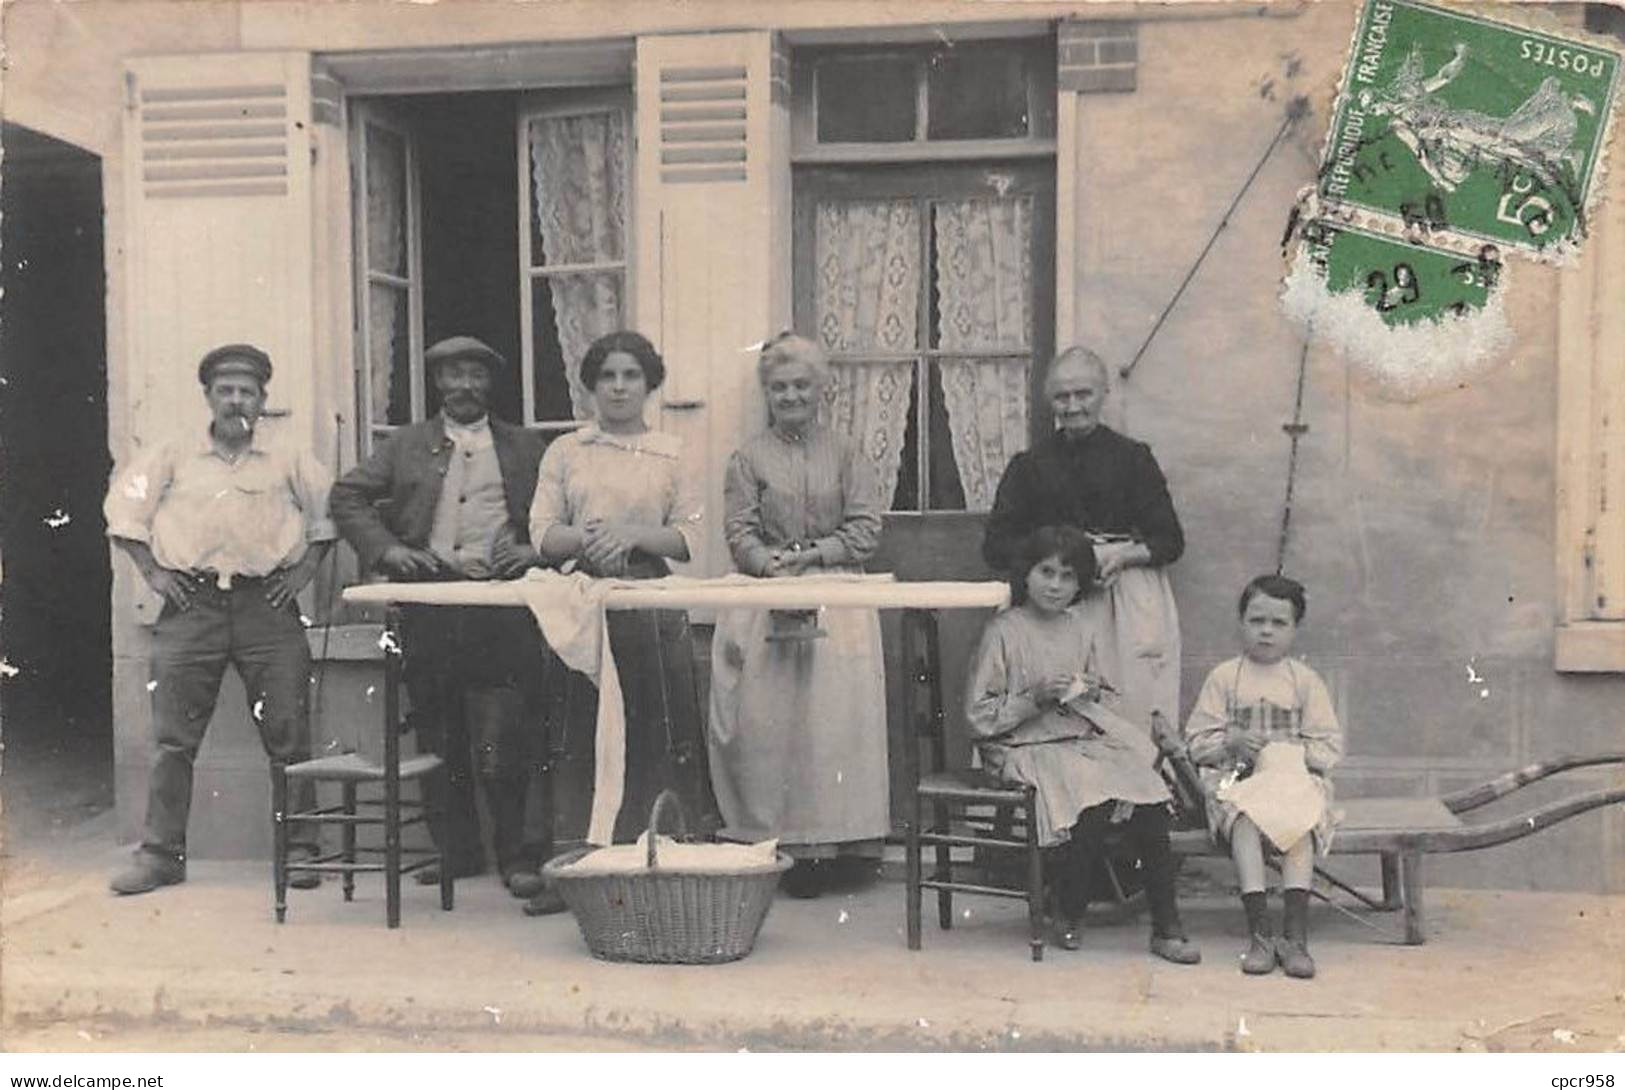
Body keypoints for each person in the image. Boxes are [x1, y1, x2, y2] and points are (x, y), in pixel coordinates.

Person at [329, 336, 559, 910]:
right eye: (453, 376)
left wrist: (533, 547)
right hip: (429, 605)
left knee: (506, 733)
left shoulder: (526, 446)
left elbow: (562, 512)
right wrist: (388, 552)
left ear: (490, 383)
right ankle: (456, 851)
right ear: (437, 384)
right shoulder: (407, 445)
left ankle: (518, 855)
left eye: (476, 375)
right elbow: (347, 495)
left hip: (503, 606)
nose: (465, 387)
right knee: (437, 729)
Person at [104, 344, 335, 895]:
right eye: (226, 390)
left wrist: (301, 574)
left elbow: (329, 518)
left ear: (262, 400)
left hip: (267, 607)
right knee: (173, 739)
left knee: (288, 732)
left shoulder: (288, 458)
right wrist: (155, 575)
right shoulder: (171, 454)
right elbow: (122, 512)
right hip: (192, 607)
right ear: (208, 396)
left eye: (248, 392)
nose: (237, 400)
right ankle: (160, 855)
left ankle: (300, 850)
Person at [527, 329, 720, 899]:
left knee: (655, 730)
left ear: (649, 384)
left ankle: (659, 868)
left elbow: (690, 537)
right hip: (580, 605)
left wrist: (631, 535)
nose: (617, 387)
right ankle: (578, 873)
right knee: (580, 732)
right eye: (607, 376)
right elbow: (541, 533)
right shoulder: (566, 451)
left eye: (630, 376)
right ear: (590, 386)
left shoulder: (674, 452)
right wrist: (588, 540)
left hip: (649, 603)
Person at [965, 525, 1200, 962]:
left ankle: (1167, 923)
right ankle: (1069, 910)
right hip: (1021, 747)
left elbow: (1101, 695)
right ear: (1027, 574)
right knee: (1093, 796)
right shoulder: (1004, 630)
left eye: (1068, 576)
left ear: (1081, 583)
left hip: (1075, 740)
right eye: (1046, 572)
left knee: (1148, 794)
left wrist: (1088, 690)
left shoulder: (1081, 628)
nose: (1055, 586)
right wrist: (1035, 696)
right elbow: (980, 716)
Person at [707, 333, 888, 899]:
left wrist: (815, 556)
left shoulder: (846, 452)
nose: (790, 396)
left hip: (838, 594)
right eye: (779, 387)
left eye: (801, 385)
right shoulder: (748, 457)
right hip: (770, 593)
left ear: (821, 389)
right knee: (774, 727)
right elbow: (739, 531)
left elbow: (864, 528)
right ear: (767, 392)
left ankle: (843, 846)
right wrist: (772, 566)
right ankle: (782, 845)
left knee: (834, 729)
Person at [982, 346, 1184, 734]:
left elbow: (1169, 540)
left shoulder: (1133, 459)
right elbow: (995, 545)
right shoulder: (1029, 466)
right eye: (1062, 396)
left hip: (1120, 599)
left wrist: (1124, 555)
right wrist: (1053, 559)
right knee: (1051, 708)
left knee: (1126, 706)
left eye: (1083, 394)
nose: (1072, 406)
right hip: (1052, 597)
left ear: (1103, 393)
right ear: (1049, 401)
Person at [1183, 574, 1343, 978]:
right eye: (1257, 621)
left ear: (1295, 629)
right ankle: (1260, 933)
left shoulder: (1304, 681)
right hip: (1236, 780)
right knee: (1244, 821)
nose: (1266, 632)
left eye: (1278, 623)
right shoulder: (1224, 677)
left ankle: (1295, 936)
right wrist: (1231, 741)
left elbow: (1328, 747)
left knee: (1301, 825)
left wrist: (1287, 752)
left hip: (1291, 781)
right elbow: (1197, 742)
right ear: (1241, 623)